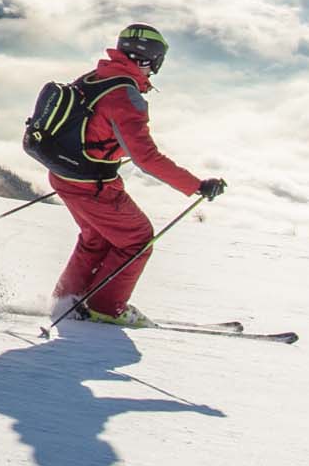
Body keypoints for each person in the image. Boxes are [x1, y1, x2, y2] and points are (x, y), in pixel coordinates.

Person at [25, 23, 225, 328]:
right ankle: (106, 308)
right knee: (137, 238)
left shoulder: (95, 78)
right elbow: (147, 157)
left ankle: (68, 299)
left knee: (96, 239)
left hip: (65, 176)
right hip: (93, 186)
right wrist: (196, 186)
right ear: (149, 60)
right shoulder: (124, 96)